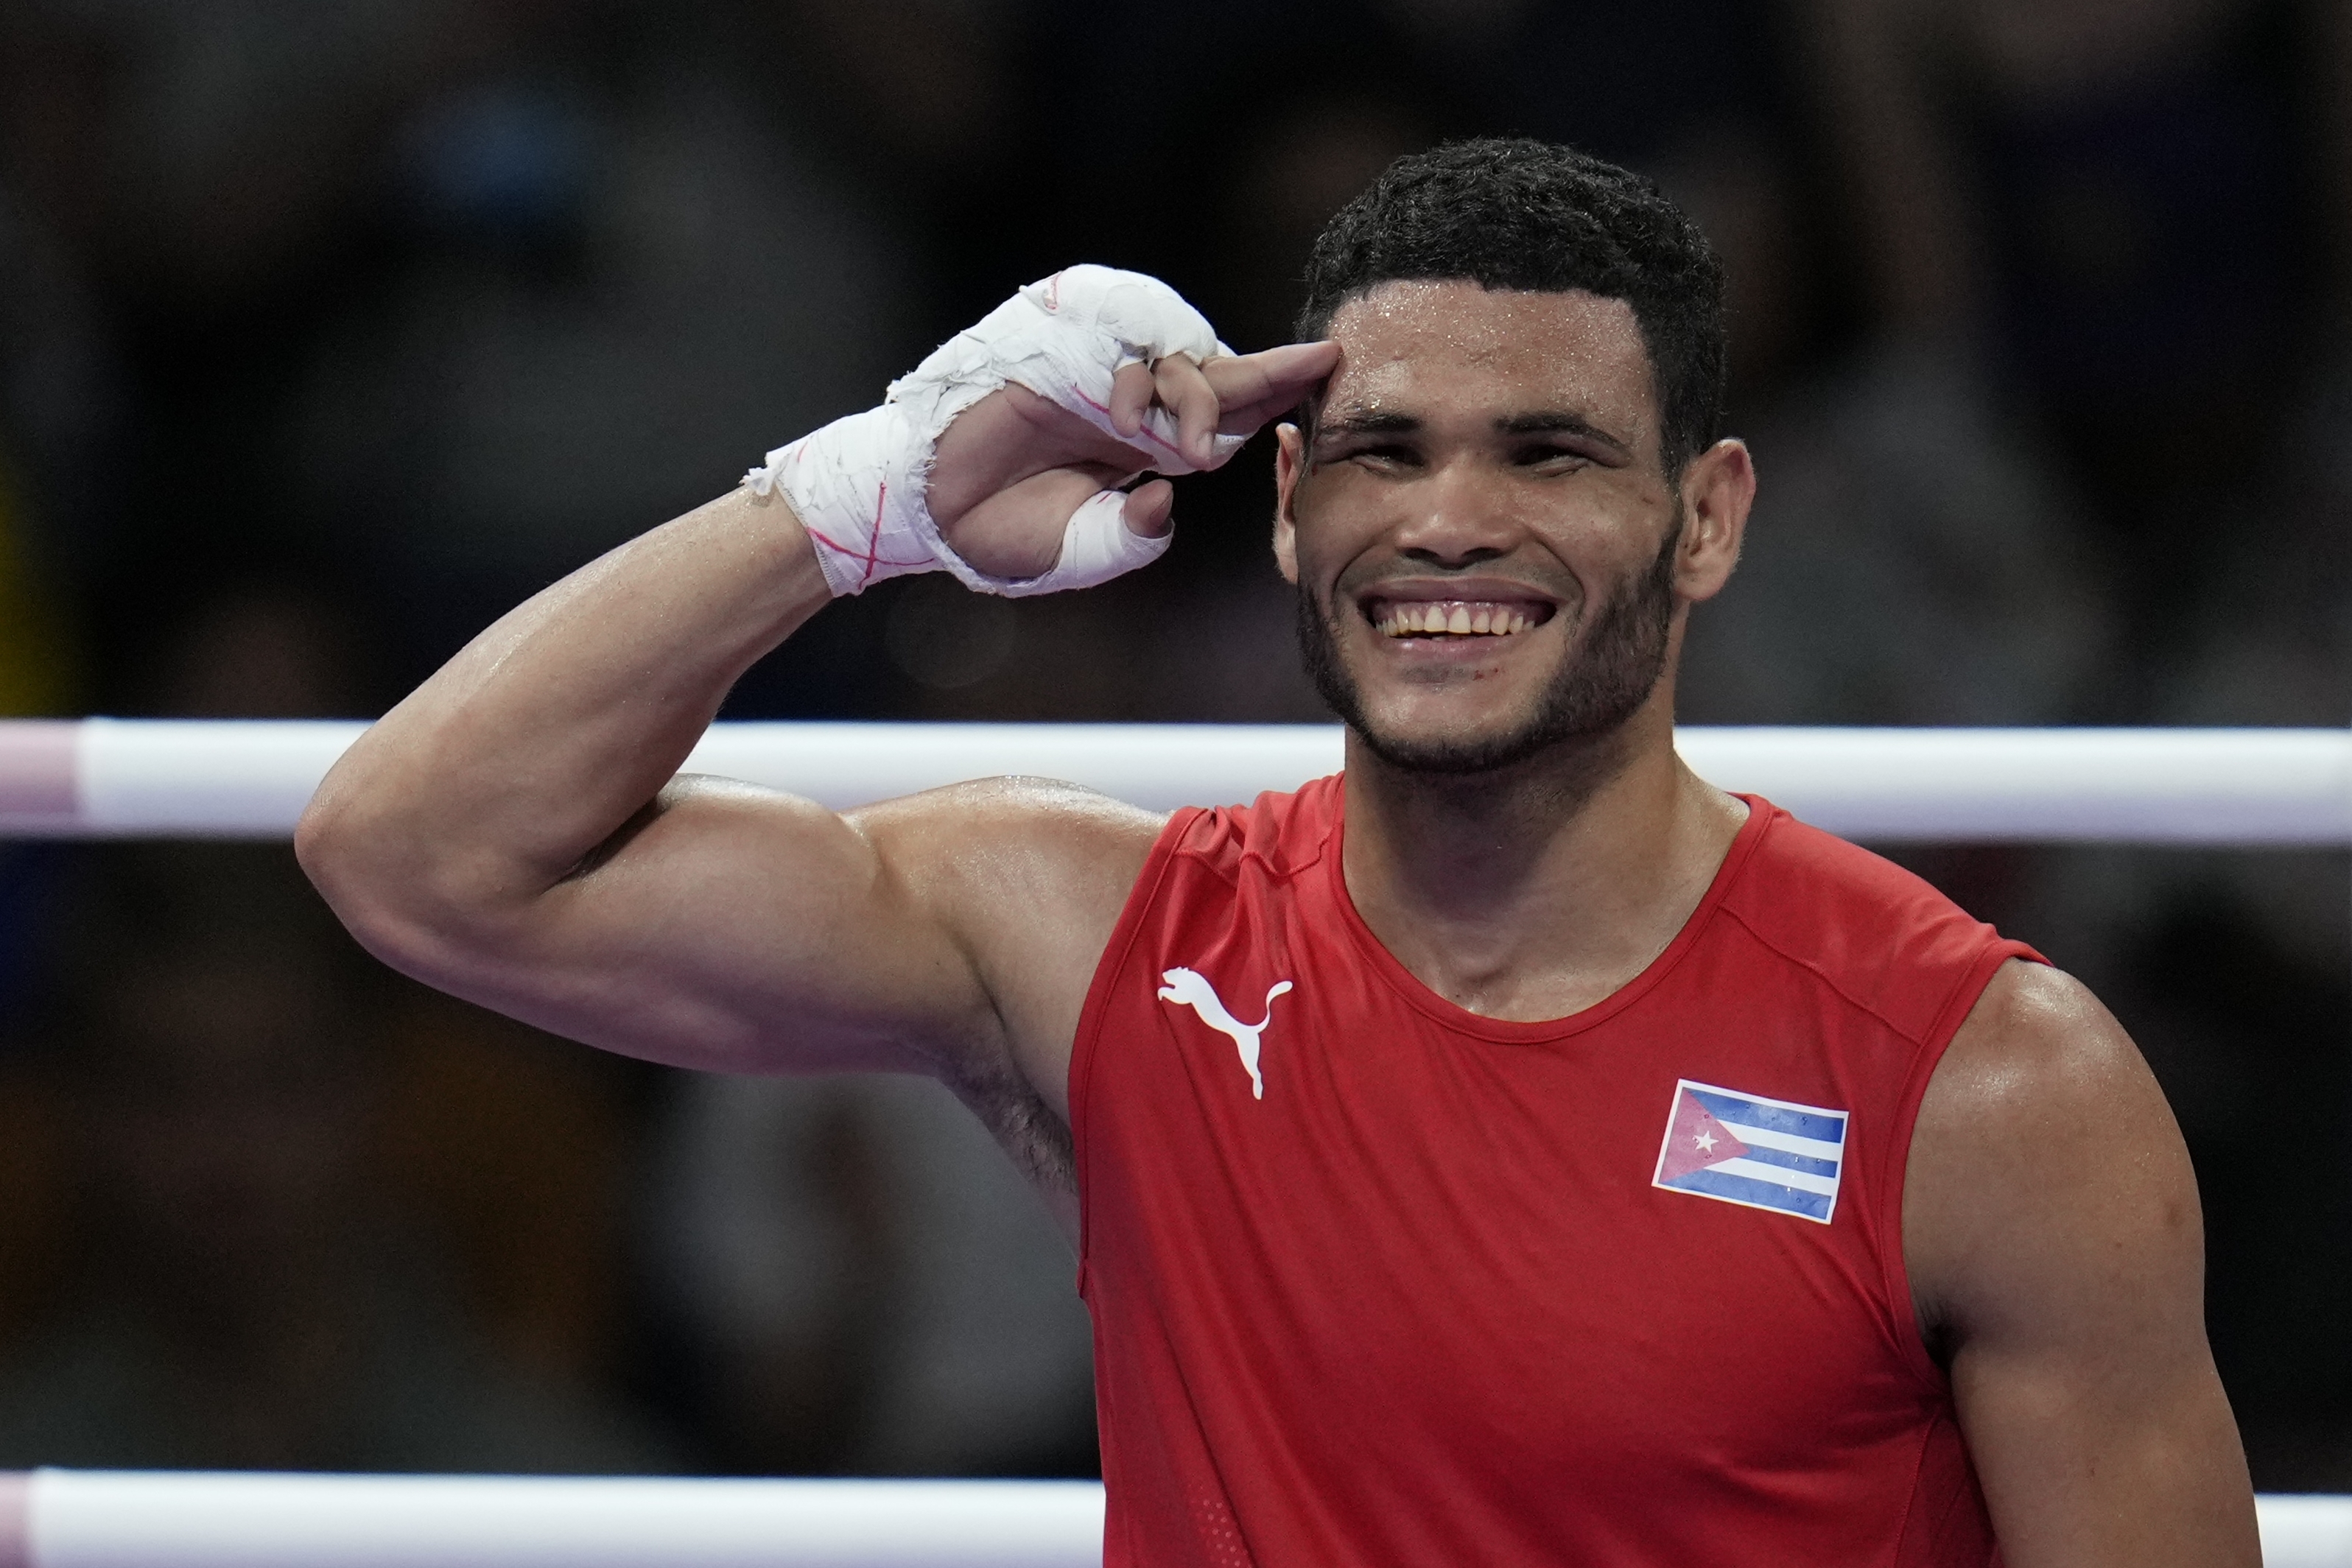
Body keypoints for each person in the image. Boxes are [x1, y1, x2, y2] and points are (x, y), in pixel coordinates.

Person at [298, 139, 2258, 1564]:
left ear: (1707, 515)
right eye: (1388, 453)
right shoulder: (1095, 932)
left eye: (1547, 453)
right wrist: (866, 494)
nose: (1452, 523)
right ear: (1288, 500)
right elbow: (421, 852)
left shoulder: (1985, 1080)